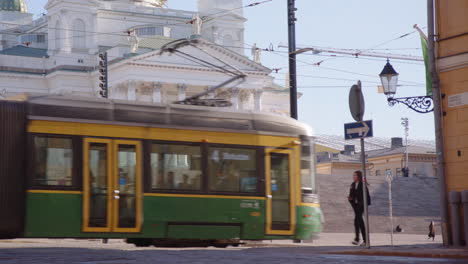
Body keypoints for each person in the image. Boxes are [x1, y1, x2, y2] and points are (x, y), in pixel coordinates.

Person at [348, 170, 371, 246]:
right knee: (360, 222)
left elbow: (366, 196)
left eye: (355, 175)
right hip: (355, 205)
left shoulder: (363, 184)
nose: (353, 177)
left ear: (359, 176)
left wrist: (361, 204)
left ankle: (357, 239)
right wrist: (351, 200)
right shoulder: (353, 184)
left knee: (356, 221)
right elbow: (351, 195)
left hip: (362, 205)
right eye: (353, 175)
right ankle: (365, 240)